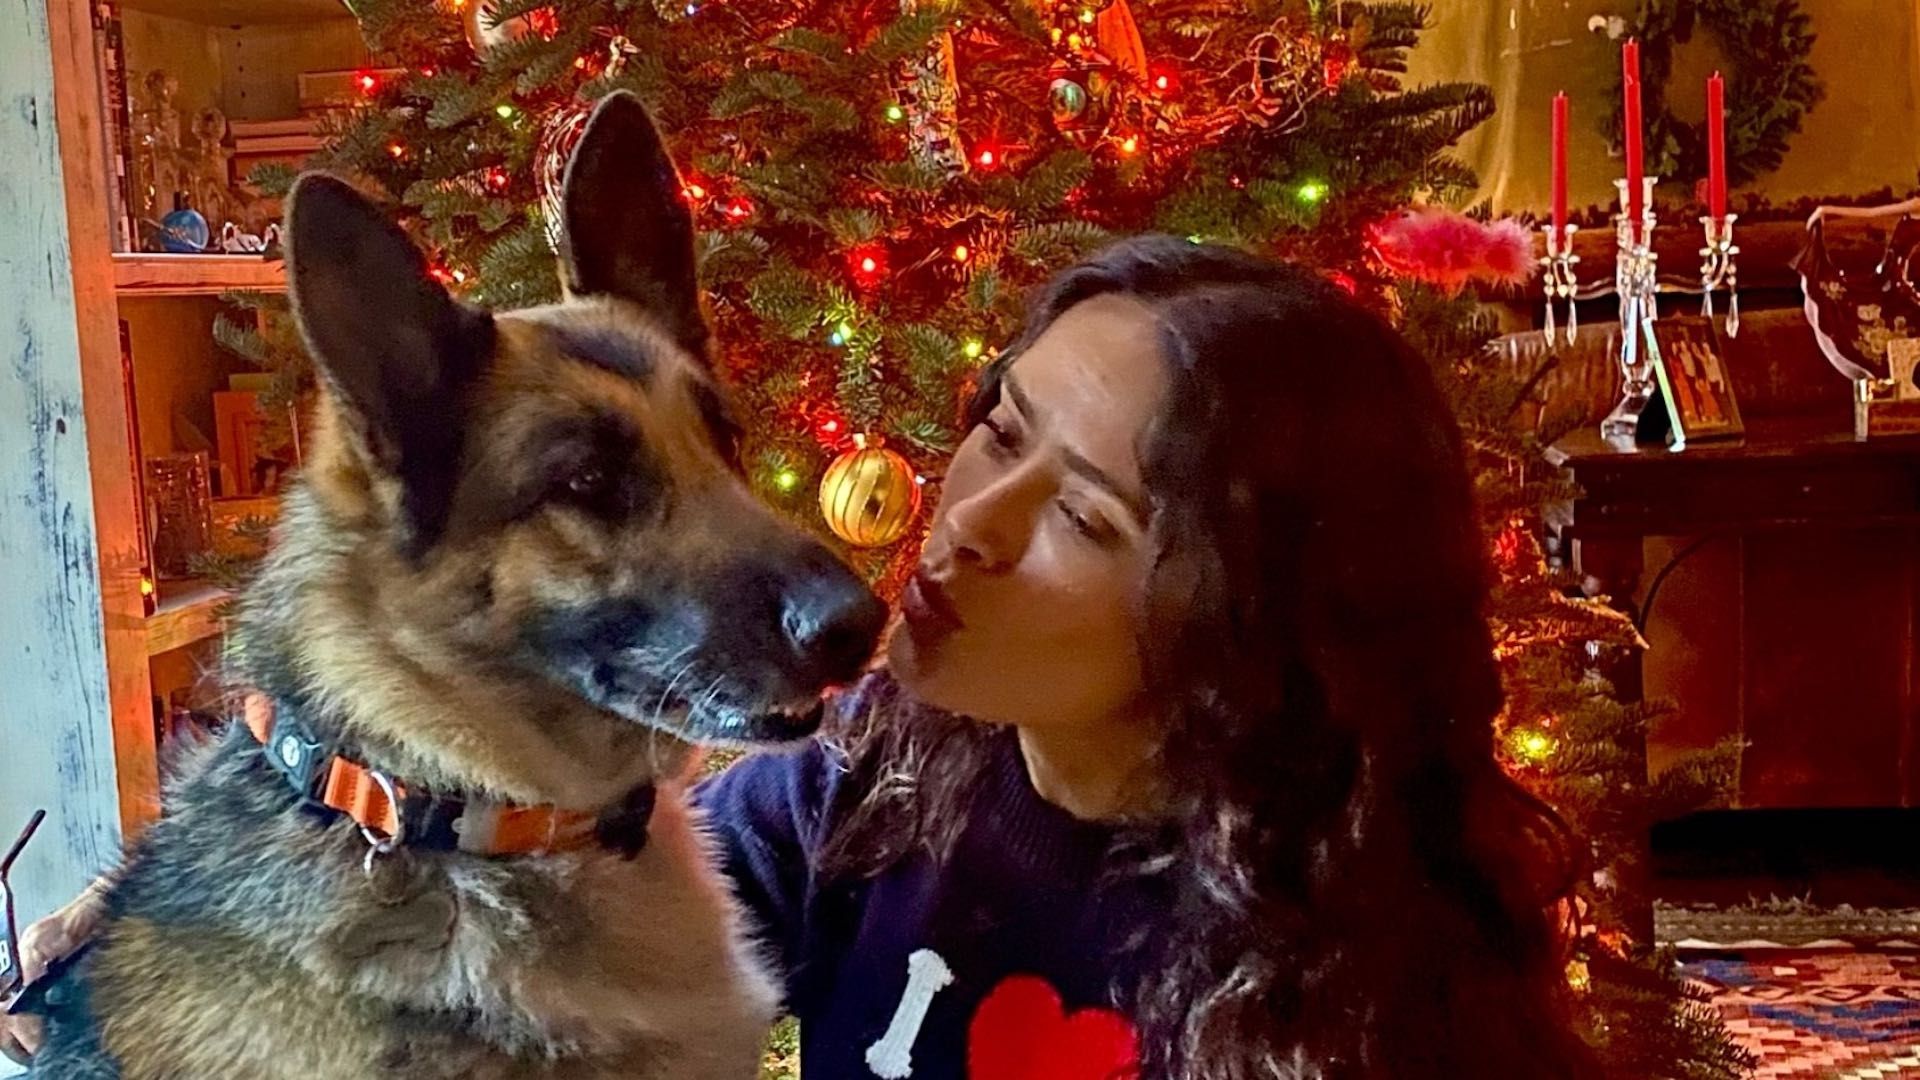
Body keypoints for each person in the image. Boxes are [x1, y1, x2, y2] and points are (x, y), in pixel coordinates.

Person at [5, 237, 1595, 1078]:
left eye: (1086, 516)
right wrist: (173, 933)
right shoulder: (873, 792)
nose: (963, 524)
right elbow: (555, 864)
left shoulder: (1347, 986)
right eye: (998, 427)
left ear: (1250, 610)